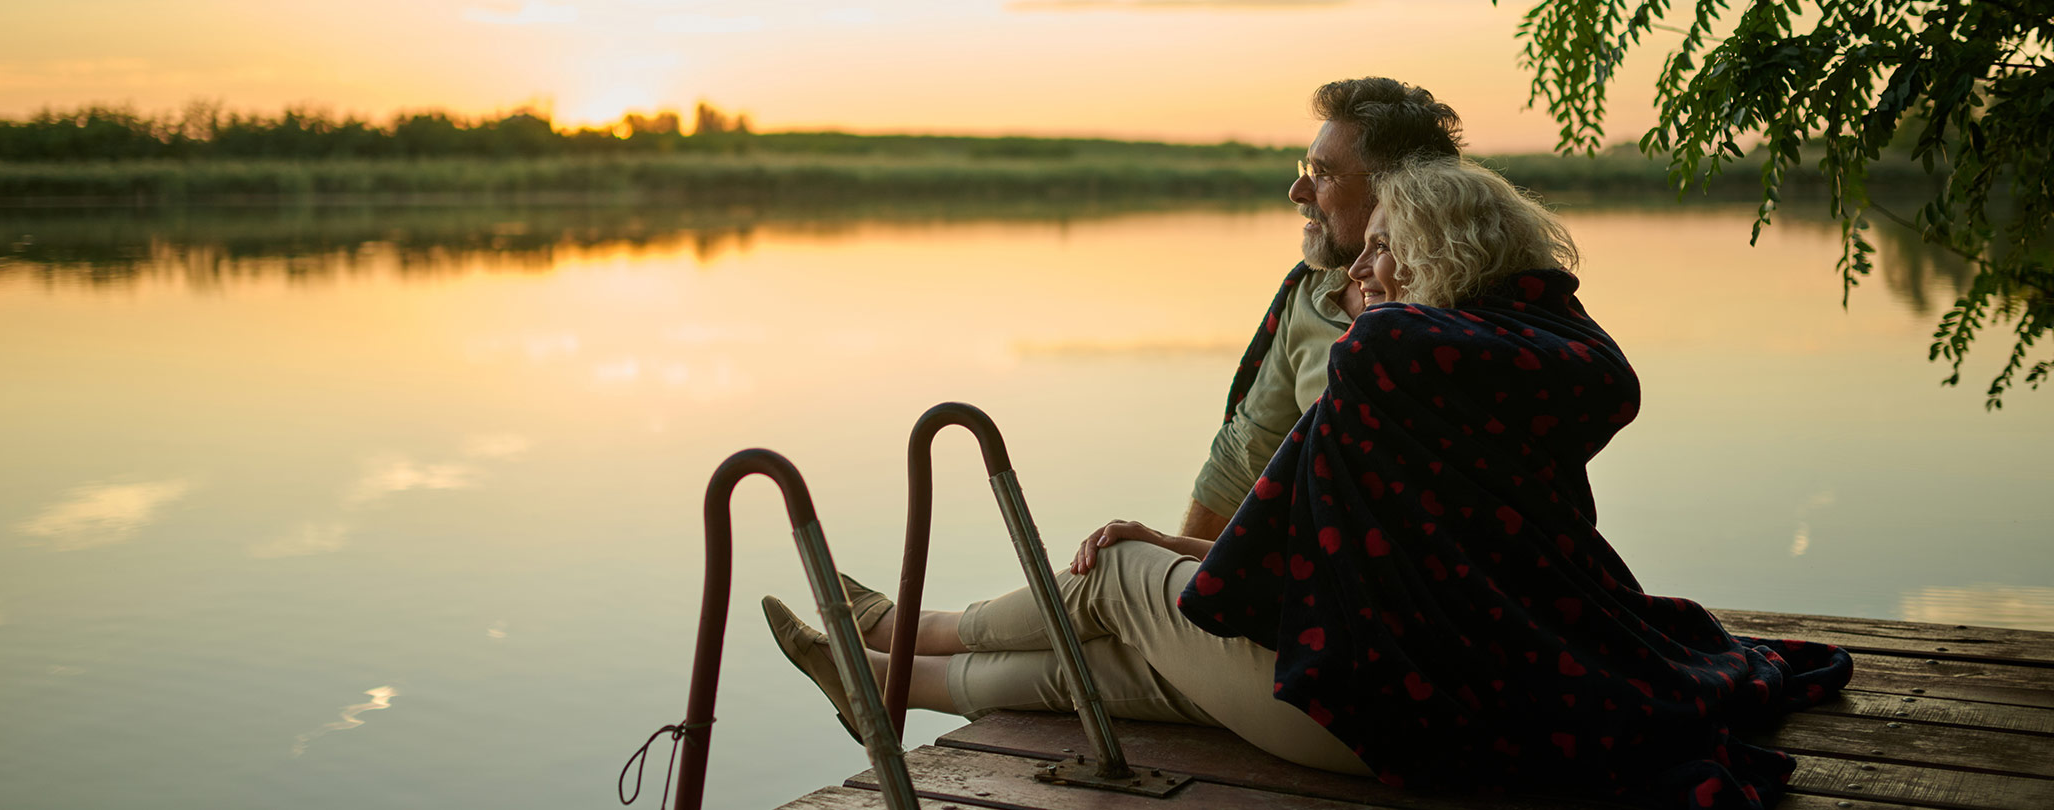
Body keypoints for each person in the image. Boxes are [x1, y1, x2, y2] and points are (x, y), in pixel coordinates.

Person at [765, 154, 1852, 809]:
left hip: (1388, 723)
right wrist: (1195, 558)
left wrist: (1162, 550)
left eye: (1381, 249)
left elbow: (1245, 573)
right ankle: (886, 686)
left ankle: (901, 626)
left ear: (1434, 254)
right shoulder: (1538, 349)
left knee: (1118, 580)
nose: (1358, 273)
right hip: (1467, 689)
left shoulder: (1394, 356)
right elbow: (1323, 530)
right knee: (1128, 664)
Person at [1181, 77, 1462, 543]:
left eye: (1323, 173)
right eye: (1306, 168)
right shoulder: (1312, 292)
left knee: (1105, 570)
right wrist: (1188, 565)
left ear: (1397, 190)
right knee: (1109, 561)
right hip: (1303, 565)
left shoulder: (1471, 311)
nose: (1298, 190)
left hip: (1394, 578)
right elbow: (1245, 456)